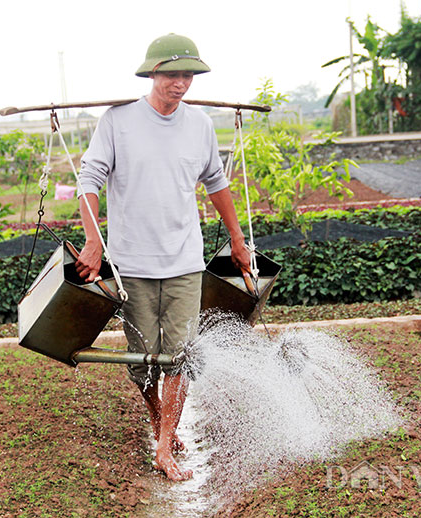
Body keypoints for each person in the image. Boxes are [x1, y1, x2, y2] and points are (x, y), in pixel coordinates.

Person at [74, 33, 251, 481]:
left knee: (179, 356)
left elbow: (217, 183)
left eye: (188, 74)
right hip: (131, 264)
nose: (181, 83)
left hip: (185, 263)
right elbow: (90, 179)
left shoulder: (200, 125)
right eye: (172, 74)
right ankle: (161, 426)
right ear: (152, 73)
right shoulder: (117, 121)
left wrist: (237, 239)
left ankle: (163, 444)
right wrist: (94, 242)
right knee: (143, 361)